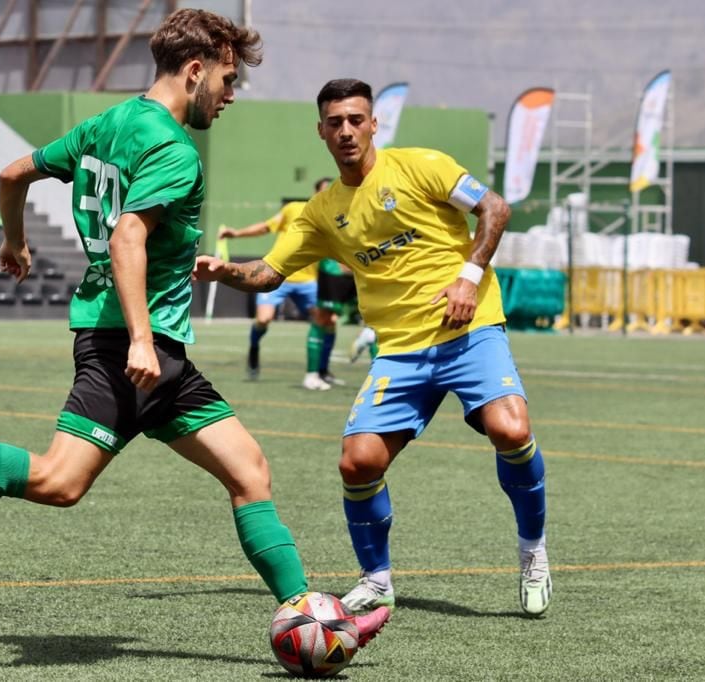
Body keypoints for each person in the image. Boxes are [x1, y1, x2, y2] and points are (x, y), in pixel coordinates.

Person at [0, 15, 390, 644]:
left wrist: (15, 242)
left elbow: (13, 173)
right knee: (58, 481)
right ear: (196, 71)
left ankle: (306, 611)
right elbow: (128, 236)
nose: (232, 94)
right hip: (130, 344)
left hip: (152, 350)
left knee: (249, 471)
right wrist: (143, 337)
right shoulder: (173, 148)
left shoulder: (107, 124)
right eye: (229, 80)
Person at [195, 78, 552, 616]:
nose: (345, 131)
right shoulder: (320, 211)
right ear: (321, 131)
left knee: (511, 429)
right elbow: (269, 272)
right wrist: (228, 271)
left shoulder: (421, 166)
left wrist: (468, 278)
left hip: (471, 328)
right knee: (357, 463)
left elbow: (495, 209)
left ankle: (533, 552)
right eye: (334, 122)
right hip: (400, 351)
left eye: (355, 120)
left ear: (373, 123)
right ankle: (377, 578)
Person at [218, 178, 333, 390]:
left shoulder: (333, 216)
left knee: (329, 322)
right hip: (280, 275)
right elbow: (265, 227)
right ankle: (254, 347)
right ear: (315, 192)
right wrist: (236, 233)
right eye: (324, 190)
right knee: (264, 318)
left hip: (309, 281)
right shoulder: (294, 209)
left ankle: (321, 371)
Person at [311, 255, 357, 386]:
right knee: (325, 319)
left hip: (364, 267)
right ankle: (313, 374)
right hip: (334, 270)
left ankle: (323, 371)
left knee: (373, 323)